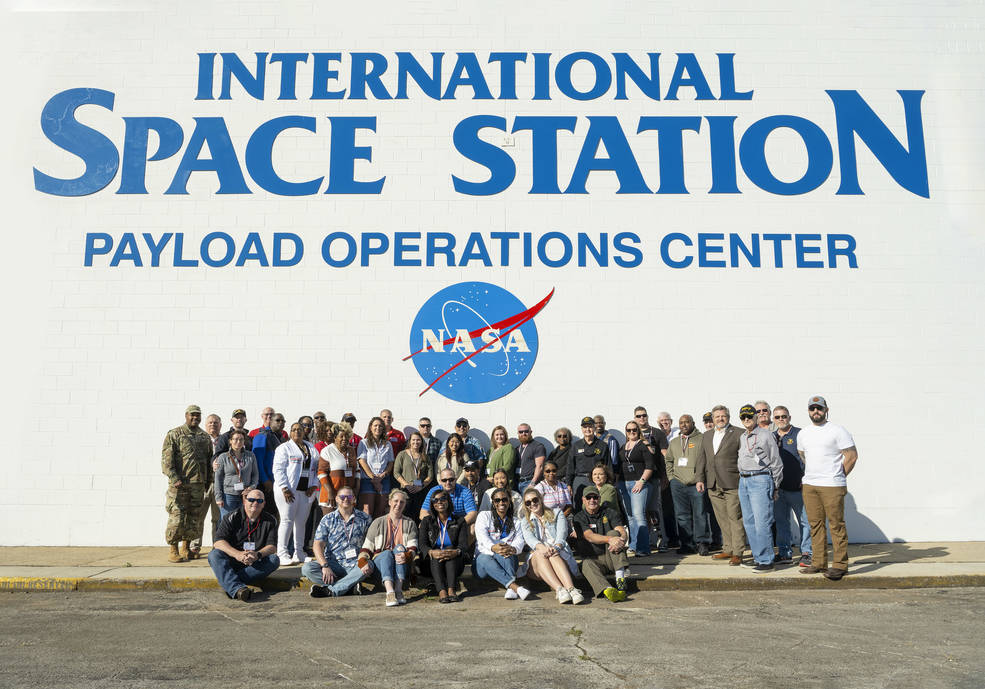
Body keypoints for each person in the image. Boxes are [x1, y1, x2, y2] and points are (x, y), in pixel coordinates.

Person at [797, 396, 858, 581]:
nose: (816, 411)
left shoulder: (838, 430)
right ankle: (818, 562)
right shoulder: (804, 433)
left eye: (819, 408)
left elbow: (852, 456)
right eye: (812, 408)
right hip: (810, 484)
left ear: (826, 410)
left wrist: (838, 476)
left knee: (836, 525)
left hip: (832, 485)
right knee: (815, 525)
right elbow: (803, 455)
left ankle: (840, 565)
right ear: (808, 411)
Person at [161, 405, 214, 563]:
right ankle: (173, 549)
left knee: (194, 518)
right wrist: (173, 477)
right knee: (177, 517)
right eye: (192, 415)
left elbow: (209, 460)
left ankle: (186, 548)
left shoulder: (204, 437)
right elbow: (166, 461)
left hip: (198, 484)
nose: (195, 418)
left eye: (198, 416)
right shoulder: (175, 434)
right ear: (186, 415)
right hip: (179, 485)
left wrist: (208, 481)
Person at [207, 488, 279, 601]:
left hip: (254, 562)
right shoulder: (231, 517)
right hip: (233, 560)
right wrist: (237, 554)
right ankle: (236, 588)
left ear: (264, 504)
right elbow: (218, 542)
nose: (255, 503)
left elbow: (272, 547)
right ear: (245, 501)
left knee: (274, 560)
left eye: (259, 501)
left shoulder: (270, 520)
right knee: (214, 555)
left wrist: (257, 555)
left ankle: (230, 582)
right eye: (251, 499)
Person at [696, 405, 746, 566]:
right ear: (713, 419)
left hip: (732, 481)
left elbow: (743, 458)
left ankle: (738, 552)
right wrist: (700, 479)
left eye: (723, 416)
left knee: (735, 517)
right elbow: (701, 458)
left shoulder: (738, 433)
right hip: (712, 482)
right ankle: (728, 548)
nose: (720, 419)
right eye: (717, 417)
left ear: (728, 417)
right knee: (722, 518)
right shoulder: (707, 435)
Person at [736, 404, 783, 572]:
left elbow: (776, 462)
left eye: (749, 416)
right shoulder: (742, 436)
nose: (747, 419)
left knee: (762, 522)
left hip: (760, 479)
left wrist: (775, 486)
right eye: (743, 417)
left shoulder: (766, 435)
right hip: (744, 480)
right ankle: (758, 557)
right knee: (749, 522)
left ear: (756, 417)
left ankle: (766, 560)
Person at [303, 486, 374, 598]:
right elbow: (317, 545)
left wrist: (364, 559)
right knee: (307, 568)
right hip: (332, 563)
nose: (346, 499)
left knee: (369, 565)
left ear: (354, 499)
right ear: (336, 499)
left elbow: (371, 542)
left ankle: (331, 590)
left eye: (349, 496)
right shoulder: (327, 519)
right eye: (342, 497)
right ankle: (349, 586)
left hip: (355, 562)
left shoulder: (365, 518)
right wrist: (325, 566)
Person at [519, 488, 584, 604]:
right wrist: (543, 548)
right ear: (526, 505)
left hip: (559, 555)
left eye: (534, 500)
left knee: (553, 553)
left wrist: (556, 547)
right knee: (539, 552)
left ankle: (571, 590)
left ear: (541, 498)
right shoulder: (525, 521)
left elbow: (562, 534)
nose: (532, 504)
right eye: (528, 503)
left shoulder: (557, 513)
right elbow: (530, 540)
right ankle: (560, 589)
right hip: (538, 562)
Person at [360, 489, 419, 606]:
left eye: (402, 502)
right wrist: (362, 561)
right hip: (381, 564)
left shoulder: (410, 523)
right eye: (396, 501)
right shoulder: (377, 522)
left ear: (405, 504)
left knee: (400, 548)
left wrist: (407, 555)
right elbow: (366, 547)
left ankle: (398, 589)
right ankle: (390, 592)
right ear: (389, 502)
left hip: (401, 563)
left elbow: (413, 547)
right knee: (387, 553)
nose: (398, 504)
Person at [572, 486, 629, 602]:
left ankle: (620, 581)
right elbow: (589, 536)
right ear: (583, 499)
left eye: (595, 497)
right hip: (595, 560)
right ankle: (608, 590)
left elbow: (621, 530)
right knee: (585, 564)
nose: (592, 500)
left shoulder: (610, 512)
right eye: (589, 497)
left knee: (615, 533)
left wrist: (621, 539)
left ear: (600, 498)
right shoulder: (579, 517)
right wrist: (610, 540)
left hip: (612, 557)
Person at [273, 421, 319, 565]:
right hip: (288, 491)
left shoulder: (310, 447)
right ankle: (282, 553)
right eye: (294, 430)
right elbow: (278, 469)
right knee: (287, 520)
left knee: (301, 522)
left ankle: (298, 553)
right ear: (290, 432)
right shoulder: (284, 448)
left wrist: (314, 485)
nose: (297, 432)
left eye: (300, 429)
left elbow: (318, 468)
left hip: (305, 491)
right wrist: (285, 488)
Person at [664, 415, 710, 555]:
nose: (684, 425)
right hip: (678, 483)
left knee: (700, 513)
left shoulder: (702, 439)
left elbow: (707, 460)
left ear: (693, 423)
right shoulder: (675, 442)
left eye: (687, 422)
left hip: (696, 482)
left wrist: (702, 478)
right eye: (681, 422)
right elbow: (669, 461)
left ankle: (702, 542)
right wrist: (671, 478)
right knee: (682, 515)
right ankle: (687, 544)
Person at [473, 489, 530, 600]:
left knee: (506, 552)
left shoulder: (516, 521)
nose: (501, 503)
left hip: (507, 560)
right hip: (482, 566)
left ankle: (510, 588)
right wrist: (494, 548)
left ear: (509, 502)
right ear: (493, 503)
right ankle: (515, 587)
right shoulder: (484, 516)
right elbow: (481, 538)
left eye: (504, 500)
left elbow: (519, 542)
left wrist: (512, 549)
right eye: (497, 500)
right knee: (484, 558)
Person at [773, 406, 812, 567]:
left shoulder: (800, 434)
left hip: (798, 487)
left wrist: (806, 478)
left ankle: (807, 553)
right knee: (782, 522)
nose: (781, 419)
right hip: (778, 489)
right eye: (777, 417)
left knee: (805, 522)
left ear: (789, 417)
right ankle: (784, 553)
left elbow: (809, 457)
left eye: (784, 416)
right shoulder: (771, 436)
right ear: (773, 420)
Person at [634, 406, 674, 552]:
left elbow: (665, 455)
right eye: (638, 416)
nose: (641, 418)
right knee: (641, 512)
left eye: (644, 415)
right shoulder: (633, 432)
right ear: (635, 418)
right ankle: (648, 541)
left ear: (647, 416)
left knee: (656, 510)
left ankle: (662, 540)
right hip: (636, 479)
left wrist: (666, 475)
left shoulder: (656, 433)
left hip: (654, 477)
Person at [419, 489, 470, 603]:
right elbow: (422, 544)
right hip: (431, 564)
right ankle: (442, 591)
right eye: (435, 500)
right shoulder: (427, 521)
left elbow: (464, 545)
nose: (439, 502)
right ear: (432, 504)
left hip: (455, 563)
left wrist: (455, 552)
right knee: (436, 552)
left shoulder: (459, 521)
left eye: (443, 499)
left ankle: (451, 590)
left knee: (449, 550)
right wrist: (431, 552)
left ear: (448, 501)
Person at [617, 418, 656, 557]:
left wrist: (641, 481)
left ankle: (643, 548)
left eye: (634, 429)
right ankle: (633, 546)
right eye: (629, 430)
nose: (632, 432)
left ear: (638, 431)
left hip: (639, 483)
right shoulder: (623, 446)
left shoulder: (643, 445)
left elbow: (650, 466)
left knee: (639, 516)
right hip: (624, 484)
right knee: (631, 517)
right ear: (626, 432)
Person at [214, 429, 259, 519]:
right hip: (228, 496)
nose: (238, 442)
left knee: (242, 522)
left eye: (241, 439)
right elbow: (218, 478)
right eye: (235, 439)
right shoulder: (223, 457)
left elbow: (255, 475)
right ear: (230, 441)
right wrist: (218, 498)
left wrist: (251, 487)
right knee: (228, 521)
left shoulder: (251, 456)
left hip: (245, 495)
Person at [317, 422, 360, 516]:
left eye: (346, 436)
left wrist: (356, 488)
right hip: (331, 497)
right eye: (341, 436)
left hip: (347, 498)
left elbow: (357, 470)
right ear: (335, 437)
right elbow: (321, 473)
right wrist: (330, 491)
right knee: (331, 527)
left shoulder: (351, 450)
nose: (344, 439)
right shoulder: (327, 451)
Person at [195, 412, 223, 555]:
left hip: (219, 485)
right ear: (205, 426)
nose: (213, 425)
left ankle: (216, 546)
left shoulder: (225, 441)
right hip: (203, 484)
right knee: (199, 516)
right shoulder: (199, 440)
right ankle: (195, 546)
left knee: (217, 519)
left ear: (221, 425)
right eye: (210, 423)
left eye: (216, 423)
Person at [568, 417, 612, 505]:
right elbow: (570, 467)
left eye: (590, 427)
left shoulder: (602, 445)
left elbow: (608, 466)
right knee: (578, 506)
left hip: (596, 481)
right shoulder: (576, 446)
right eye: (585, 427)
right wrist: (569, 484)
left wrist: (608, 484)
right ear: (582, 429)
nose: (587, 429)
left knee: (597, 505)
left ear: (594, 428)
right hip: (580, 480)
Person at [393, 431, 435, 520]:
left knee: (418, 516)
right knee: (405, 515)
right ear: (410, 441)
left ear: (421, 442)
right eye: (414, 440)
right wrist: (406, 485)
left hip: (420, 490)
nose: (416, 442)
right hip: (406, 490)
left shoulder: (425, 457)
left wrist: (421, 486)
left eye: (418, 440)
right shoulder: (402, 454)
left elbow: (430, 476)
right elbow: (396, 473)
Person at [357, 416, 394, 518]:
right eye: (375, 425)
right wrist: (374, 478)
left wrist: (383, 475)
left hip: (384, 480)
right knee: (367, 511)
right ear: (370, 427)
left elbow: (391, 462)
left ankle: (377, 533)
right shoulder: (363, 442)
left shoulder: (388, 444)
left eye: (380, 426)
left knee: (381, 511)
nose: (378, 428)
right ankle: (367, 533)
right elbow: (362, 461)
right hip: (368, 480)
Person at [253, 412, 286, 520]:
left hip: (277, 483)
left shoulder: (281, 438)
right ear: (270, 421)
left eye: (283, 421)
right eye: (277, 420)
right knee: (266, 516)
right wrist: (265, 480)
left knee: (276, 516)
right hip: (266, 485)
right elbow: (257, 461)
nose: (281, 423)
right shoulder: (262, 436)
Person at [516, 423, 548, 493]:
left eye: (526, 431)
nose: (523, 433)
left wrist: (532, 483)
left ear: (531, 432)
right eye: (521, 432)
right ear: (518, 433)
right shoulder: (517, 448)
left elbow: (540, 466)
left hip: (529, 482)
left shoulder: (537, 446)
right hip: (517, 483)